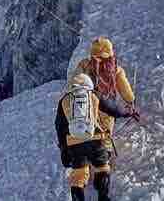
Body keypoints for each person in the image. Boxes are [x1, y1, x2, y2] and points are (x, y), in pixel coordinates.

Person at [56, 71, 132, 201]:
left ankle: (78, 198)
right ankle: (103, 196)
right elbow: (112, 108)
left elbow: (60, 127)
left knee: (79, 174)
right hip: (95, 140)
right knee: (102, 167)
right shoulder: (94, 95)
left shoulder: (64, 101)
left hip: (74, 143)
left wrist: (64, 149)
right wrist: (126, 112)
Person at [75, 37, 140, 117]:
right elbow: (124, 87)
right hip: (105, 111)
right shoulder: (115, 69)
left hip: (89, 110)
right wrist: (131, 101)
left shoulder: (85, 64)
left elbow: (75, 81)